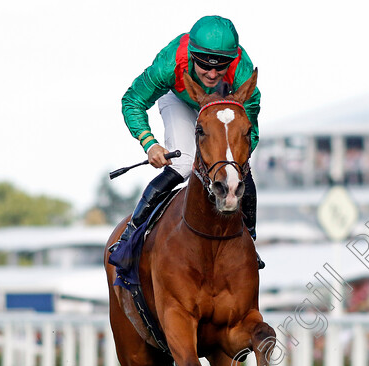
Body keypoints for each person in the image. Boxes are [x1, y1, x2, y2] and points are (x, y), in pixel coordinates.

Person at [111, 15, 263, 268]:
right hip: (180, 99)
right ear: (192, 55)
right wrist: (150, 143)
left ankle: (250, 244)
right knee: (184, 164)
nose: (213, 74)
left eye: (221, 66)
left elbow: (250, 131)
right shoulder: (169, 65)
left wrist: (230, 162)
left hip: (223, 108)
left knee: (239, 171)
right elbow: (133, 101)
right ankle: (130, 236)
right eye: (205, 66)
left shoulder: (243, 72)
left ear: (232, 59)